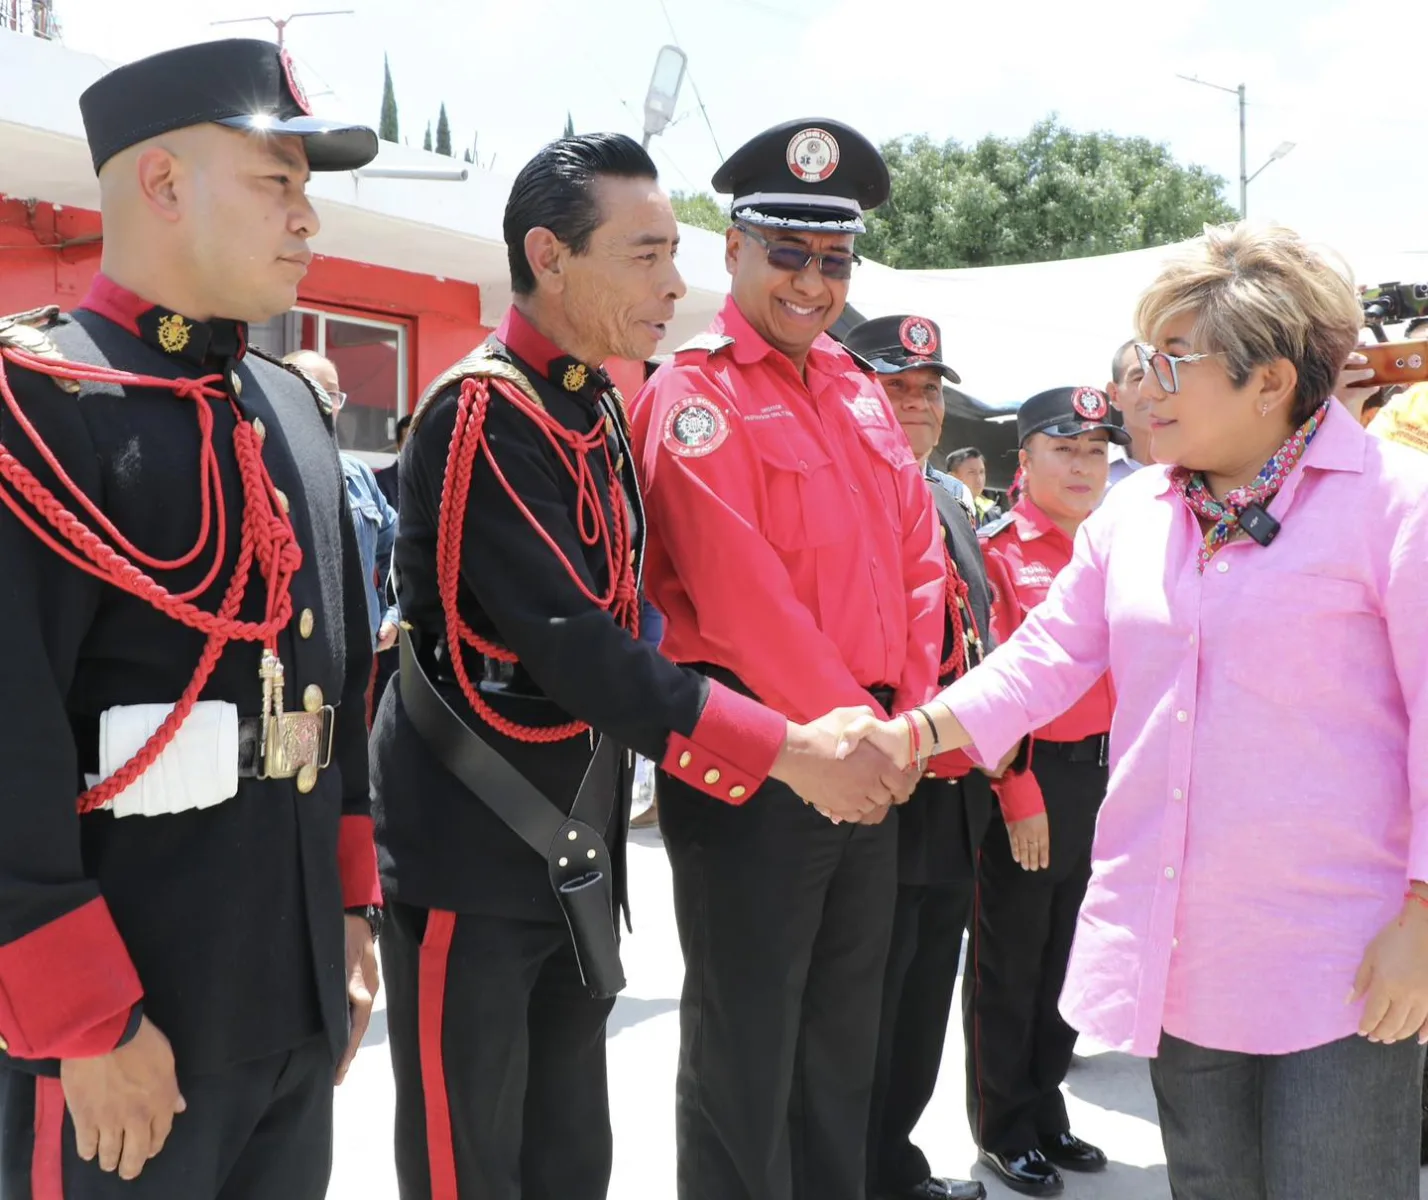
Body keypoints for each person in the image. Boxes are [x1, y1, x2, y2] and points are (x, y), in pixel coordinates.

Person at [836, 223, 1428, 1199]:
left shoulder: (1393, 506)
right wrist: (909, 735)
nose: (1139, 385)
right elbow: (1041, 660)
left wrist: (1420, 912)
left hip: (1348, 968)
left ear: (1270, 381)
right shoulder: (1137, 513)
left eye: (1170, 360)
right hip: (1186, 953)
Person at [370, 132, 894, 1200]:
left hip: (573, 841)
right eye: (646, 255)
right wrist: (783, 746)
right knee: (471, 1160)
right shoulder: (487, 407)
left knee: (572, 1158)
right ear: (549, 256)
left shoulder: (590, 400)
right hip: (476, 846)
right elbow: (575, 645)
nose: (676, 280)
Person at [0, 39, 382, 1200]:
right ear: (161, 184)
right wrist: (84, 1021)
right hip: (128, 1035)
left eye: (307, 189)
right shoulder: (41, 406)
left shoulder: (290, 410)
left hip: (291, 1002)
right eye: (278, 183)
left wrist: (351, 919)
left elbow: (340, 687)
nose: (308, 218)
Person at [630, 119, 942, 1200]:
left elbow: (920, 564)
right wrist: (854, 738)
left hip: (871, 766)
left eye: (836, 260)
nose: (814, 283)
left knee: (839, 1054)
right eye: (789, 254)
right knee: (745, 1055)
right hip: (763, 771)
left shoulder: (860, 388)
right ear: (734, 249)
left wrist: (907, 727)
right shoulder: (696, 395)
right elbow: (738, 597)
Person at [845, 315, 1012, 1200]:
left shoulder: (948, 496)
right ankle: (852, 1173)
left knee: (917, 1006)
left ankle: (893, 1167)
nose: (917, 404)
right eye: (897, 387)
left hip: (953, 797)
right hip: (879, 786)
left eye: (929, 391)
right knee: (860, 1006)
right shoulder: (845, 487)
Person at [962, 387, 1120, 1197]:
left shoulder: (1114, 546)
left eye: (1096, 450)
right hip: (1029, 774)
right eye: (1066, 448)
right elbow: (986, 678)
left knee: (1069, 955)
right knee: (1011, 961)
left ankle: (1045, 1103)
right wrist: (1016, 790)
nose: (1084, 465)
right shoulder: (995, 551)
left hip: (1104, 773)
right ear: (1024, 461)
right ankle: (1003, 1126)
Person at [284, 350, 399, 654]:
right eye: (310, 387)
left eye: (332, 393)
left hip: (356, 653)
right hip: (285, 660)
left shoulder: (359, 474)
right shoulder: (255, 467)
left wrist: (393, 613)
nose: (324, 401)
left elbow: (398, 545)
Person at [1105, 338, 1150, 486]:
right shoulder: (1093, 473)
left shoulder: (1206, 467)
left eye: (1165, 376)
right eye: (1139, 378)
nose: (1155, 388)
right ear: (1114, 395)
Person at [947, 447, 1002, 525]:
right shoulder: (943, 512)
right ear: (952, 477)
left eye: (982, 472)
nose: (979, 479)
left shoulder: (990, 511)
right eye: (971, 472)